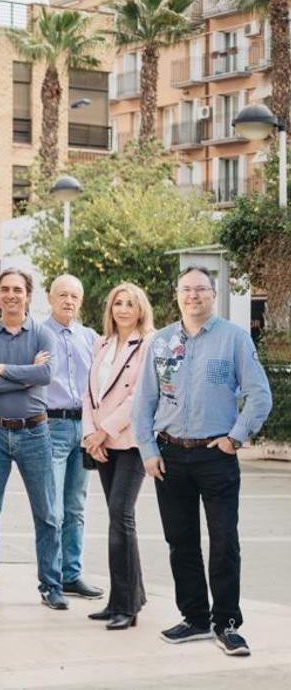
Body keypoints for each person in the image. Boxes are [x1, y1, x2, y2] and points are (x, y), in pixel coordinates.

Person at [133, 266, 271, 656]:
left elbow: (259, 395)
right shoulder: (159, 343)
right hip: (169, 455)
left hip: (216, 455)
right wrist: (148, 450)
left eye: (200, 289)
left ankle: (226, 623)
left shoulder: (234, 339)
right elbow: (143, 402)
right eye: (186, 289)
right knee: (181, 541)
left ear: (213, 293)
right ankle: (194, 618)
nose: (193, 295)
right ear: (176, 295)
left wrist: (235, 437)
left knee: (224, 540)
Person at [0, 268, 66, 610]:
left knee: (48, 514)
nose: (11, 295)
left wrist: (4, 370)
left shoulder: (42, 334)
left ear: (28, 295)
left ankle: (51, 587)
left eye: (17, 289)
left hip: (35, 432)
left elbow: (47, 374)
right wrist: (26, 375)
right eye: (5, 289)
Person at [82, 282, 154, 631]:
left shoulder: (149, 343)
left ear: (140, 308)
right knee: (116, 521)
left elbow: (139, 396)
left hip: (130, 441)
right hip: (101, 442)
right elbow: (88, 393)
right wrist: (89, 435)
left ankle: (128, 605)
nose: (123, 309)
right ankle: (122, 600)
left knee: (120, 516)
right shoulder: (102, 343)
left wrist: (104, 430)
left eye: (130, 303)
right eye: (117, 303)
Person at [43, 275, 103, 601]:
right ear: (50, 299)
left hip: (85, 427)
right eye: (62, 295)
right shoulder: (37, 336)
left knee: (76, 506)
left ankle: (71, 574)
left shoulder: (92, 339)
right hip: (51, 427)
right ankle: (51, 581)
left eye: (74, 296)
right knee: (52, 508)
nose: (69, 301)